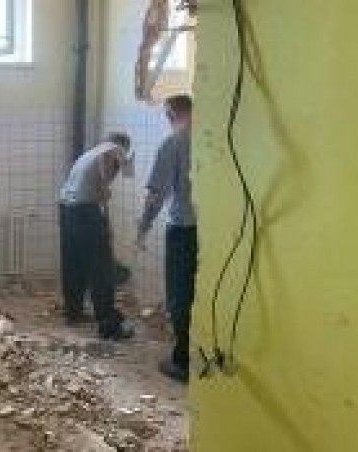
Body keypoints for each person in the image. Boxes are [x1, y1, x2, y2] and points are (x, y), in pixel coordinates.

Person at [137, 94, 197, 383]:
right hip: (216, 232)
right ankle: (202, 357)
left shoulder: (174, 142)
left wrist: (143, 226)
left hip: (184, 229)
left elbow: (156, 194)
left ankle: (183, 362)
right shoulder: (214, 137)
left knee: (181, 295)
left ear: (170, 114)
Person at [58, 133, 135, 340]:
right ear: (122, 146)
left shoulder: (89, 154)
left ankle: (73, 312)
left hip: (67, 210)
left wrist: (103, 201)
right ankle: (108, 325)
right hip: (85, 211)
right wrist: (104, 194)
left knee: (74, 264)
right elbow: (111, 175)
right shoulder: (113, 150)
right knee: (101, 270)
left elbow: (98, 187)